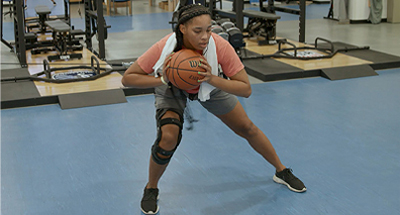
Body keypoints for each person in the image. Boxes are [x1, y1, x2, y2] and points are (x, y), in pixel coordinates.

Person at [122, 4, 306, 215]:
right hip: (171, 86)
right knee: (168, 136)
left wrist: (212, 78)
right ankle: (151, 187)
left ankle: (281, 171)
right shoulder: (166, 45)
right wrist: (163, 78)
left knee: (247, 127)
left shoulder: (219, 46)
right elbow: (128, 78)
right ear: (182, 28)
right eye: (197, 31)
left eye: (208, 29)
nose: (205, 36)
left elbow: (246, 89)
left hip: (209, 85)